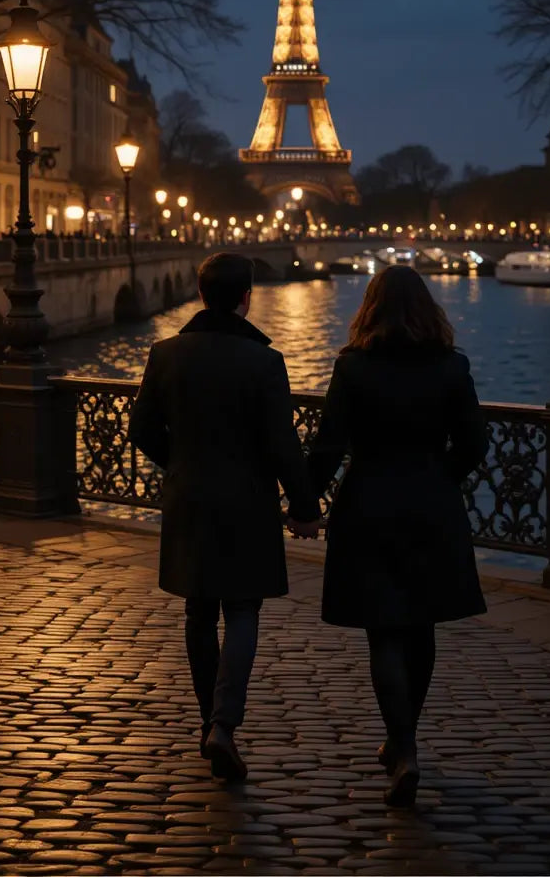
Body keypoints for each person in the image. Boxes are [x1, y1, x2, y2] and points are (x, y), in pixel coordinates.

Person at [129, 252, 321, 782]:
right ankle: (224, 723)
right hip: (246, 500)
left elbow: (141, 429)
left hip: (189, 496)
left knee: (198, 611)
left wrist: (181, 464)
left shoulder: (165, 353)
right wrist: (305, 506)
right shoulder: (266, 361)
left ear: (200, 293)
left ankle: (206, 722)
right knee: (242, 611)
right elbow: (284, 446)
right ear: (246, 298)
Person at [308, 265, 488, 808]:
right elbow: (474, 444)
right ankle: (405, 738)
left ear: (369, 308)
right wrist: (439, 478)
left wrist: (302, 501)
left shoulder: (353, 367)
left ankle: (402, 745)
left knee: (384, 630)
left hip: (368, 503)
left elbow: (329, 447)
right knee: (422, 624)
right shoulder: (453, 367)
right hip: (431, 505)